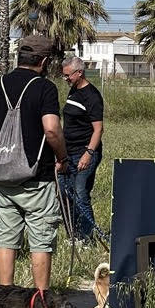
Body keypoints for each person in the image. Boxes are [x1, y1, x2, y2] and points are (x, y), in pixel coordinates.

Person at [0, 33, 67, 292]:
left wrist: (8, 136)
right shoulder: (44, 87)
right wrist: (62, 157)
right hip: (36, 174)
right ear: (44, 60)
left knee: (6, 238)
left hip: (4, 172)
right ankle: (40, 300)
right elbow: (51, 129)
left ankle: (5, 298)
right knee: (41, 239)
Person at [58, 56, 105, 244]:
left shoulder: (92, 96)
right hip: (67, 153)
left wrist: (88, 153)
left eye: (68, 75)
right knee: (64, 191)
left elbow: (98, 129)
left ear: (79, 73)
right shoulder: (73, 92)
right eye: (64, 76)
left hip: (85, 152)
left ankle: (86, 237)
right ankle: (73, 233)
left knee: (79, 192)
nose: (66, 79)